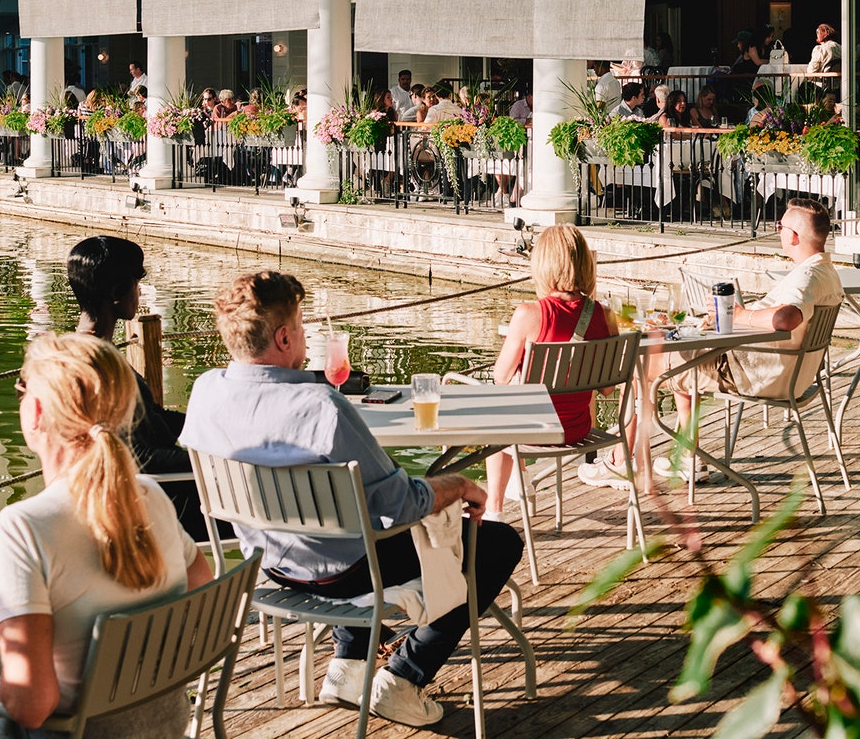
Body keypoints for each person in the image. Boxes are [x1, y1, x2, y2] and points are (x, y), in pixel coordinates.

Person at [181, 272, 524, 728]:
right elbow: (399, 504)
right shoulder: (322, 407)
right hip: (346, 576)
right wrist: (457, 486)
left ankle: (349, 664)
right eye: (301, 326)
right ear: (284, 337)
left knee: (344, 523)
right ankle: (403, 678)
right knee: (497, 543)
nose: (305, 335)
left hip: (270, 567)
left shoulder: (205, 392)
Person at [0, 333, 212, 739]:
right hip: (158, 718)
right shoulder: (151, 496)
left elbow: (32, 707)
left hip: (67, 729)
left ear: (35, 411)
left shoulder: (24, 528)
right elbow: (200, 584)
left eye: (20, 387)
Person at [582, 198, 845, 488]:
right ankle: (687, 457)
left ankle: (621, 461)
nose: (778, 230)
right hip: (788, 374)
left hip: (759, 374)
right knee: (683, 361)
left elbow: (786, 318)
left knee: (639, 365)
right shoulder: (826, 274)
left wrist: (741, 314)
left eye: (779, 226)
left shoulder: (806, 277)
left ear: (793, 236)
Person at [66, 236, 221, 542]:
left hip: (138, 491)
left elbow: (149, 418)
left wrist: (212, 427)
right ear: (115, 293)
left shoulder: (86, 350)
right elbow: (139, 456)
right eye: (137, 283)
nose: (140, 292)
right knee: (264, 502)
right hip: (151, 503)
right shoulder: (98, 365)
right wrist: (218, 462)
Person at [483, 226, 619, 519]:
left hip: (532, 432)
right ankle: (519, 482)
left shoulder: (529, 314)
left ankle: (494, 510)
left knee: (495, 414)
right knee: (509, 407)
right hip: (578, 429)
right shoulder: (605, 316)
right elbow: (608, 389)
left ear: (542, 264)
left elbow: (500, 376)